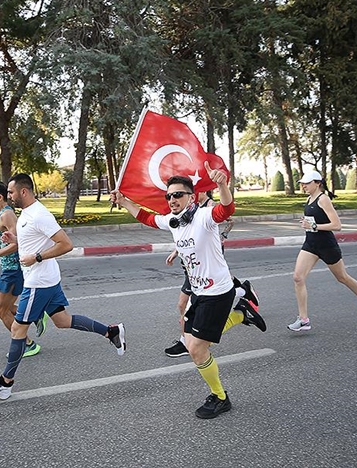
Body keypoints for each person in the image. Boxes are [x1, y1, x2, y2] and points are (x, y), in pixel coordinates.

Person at [112, 162, 265, 419]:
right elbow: (147, 218)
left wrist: (222, 185)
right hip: (199, 292)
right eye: (169, 195)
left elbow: (227, 208)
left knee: (196, 349)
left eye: (178, 195)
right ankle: (241, 314)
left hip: (217, 291)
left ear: (191, 197)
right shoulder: (174, 221)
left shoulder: (204, 217)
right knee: (192, 340)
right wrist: (124, 201)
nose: (172, 199)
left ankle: (220, 397)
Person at [0, 173, 126, 400]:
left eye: (12, 192)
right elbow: (33, 240)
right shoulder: (26, 214)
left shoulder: (39, 215)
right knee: (63, 321)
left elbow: (66, 244)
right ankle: (111, 331)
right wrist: (14, 241)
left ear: (23, 192)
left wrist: (37, 257)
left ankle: (5, 383)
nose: (9, 196)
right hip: (47, 280)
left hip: (38, 283)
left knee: (18, 329)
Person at [164, 191, 261, 358]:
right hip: (192, 263)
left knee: (183, 305)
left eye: (198, 188)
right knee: (184, 306)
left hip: (203, 263)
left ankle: (186, 342)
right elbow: (187, 233)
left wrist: (222, 236)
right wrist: (177, 250)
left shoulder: (208, 207)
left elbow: (228, 218)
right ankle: (243, 294)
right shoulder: (190, 207)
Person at [287, 170, 357, 332]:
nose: (304, 186)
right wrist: (307, 223)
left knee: (342, 277)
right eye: (303, 183)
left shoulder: (324, 199)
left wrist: (313, 226)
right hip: (310, 244)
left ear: (318, 183)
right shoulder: (309, 198)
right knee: (298, 278)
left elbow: (337, 225)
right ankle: (304, 319)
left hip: (327, 246)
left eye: (307, 183)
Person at [0, 181, 44, 358]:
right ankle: (35, 315)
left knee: (1, 310)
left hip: (14, 270)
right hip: (7, 270)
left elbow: (19, 243)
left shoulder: (7, 215)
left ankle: (27, 344)